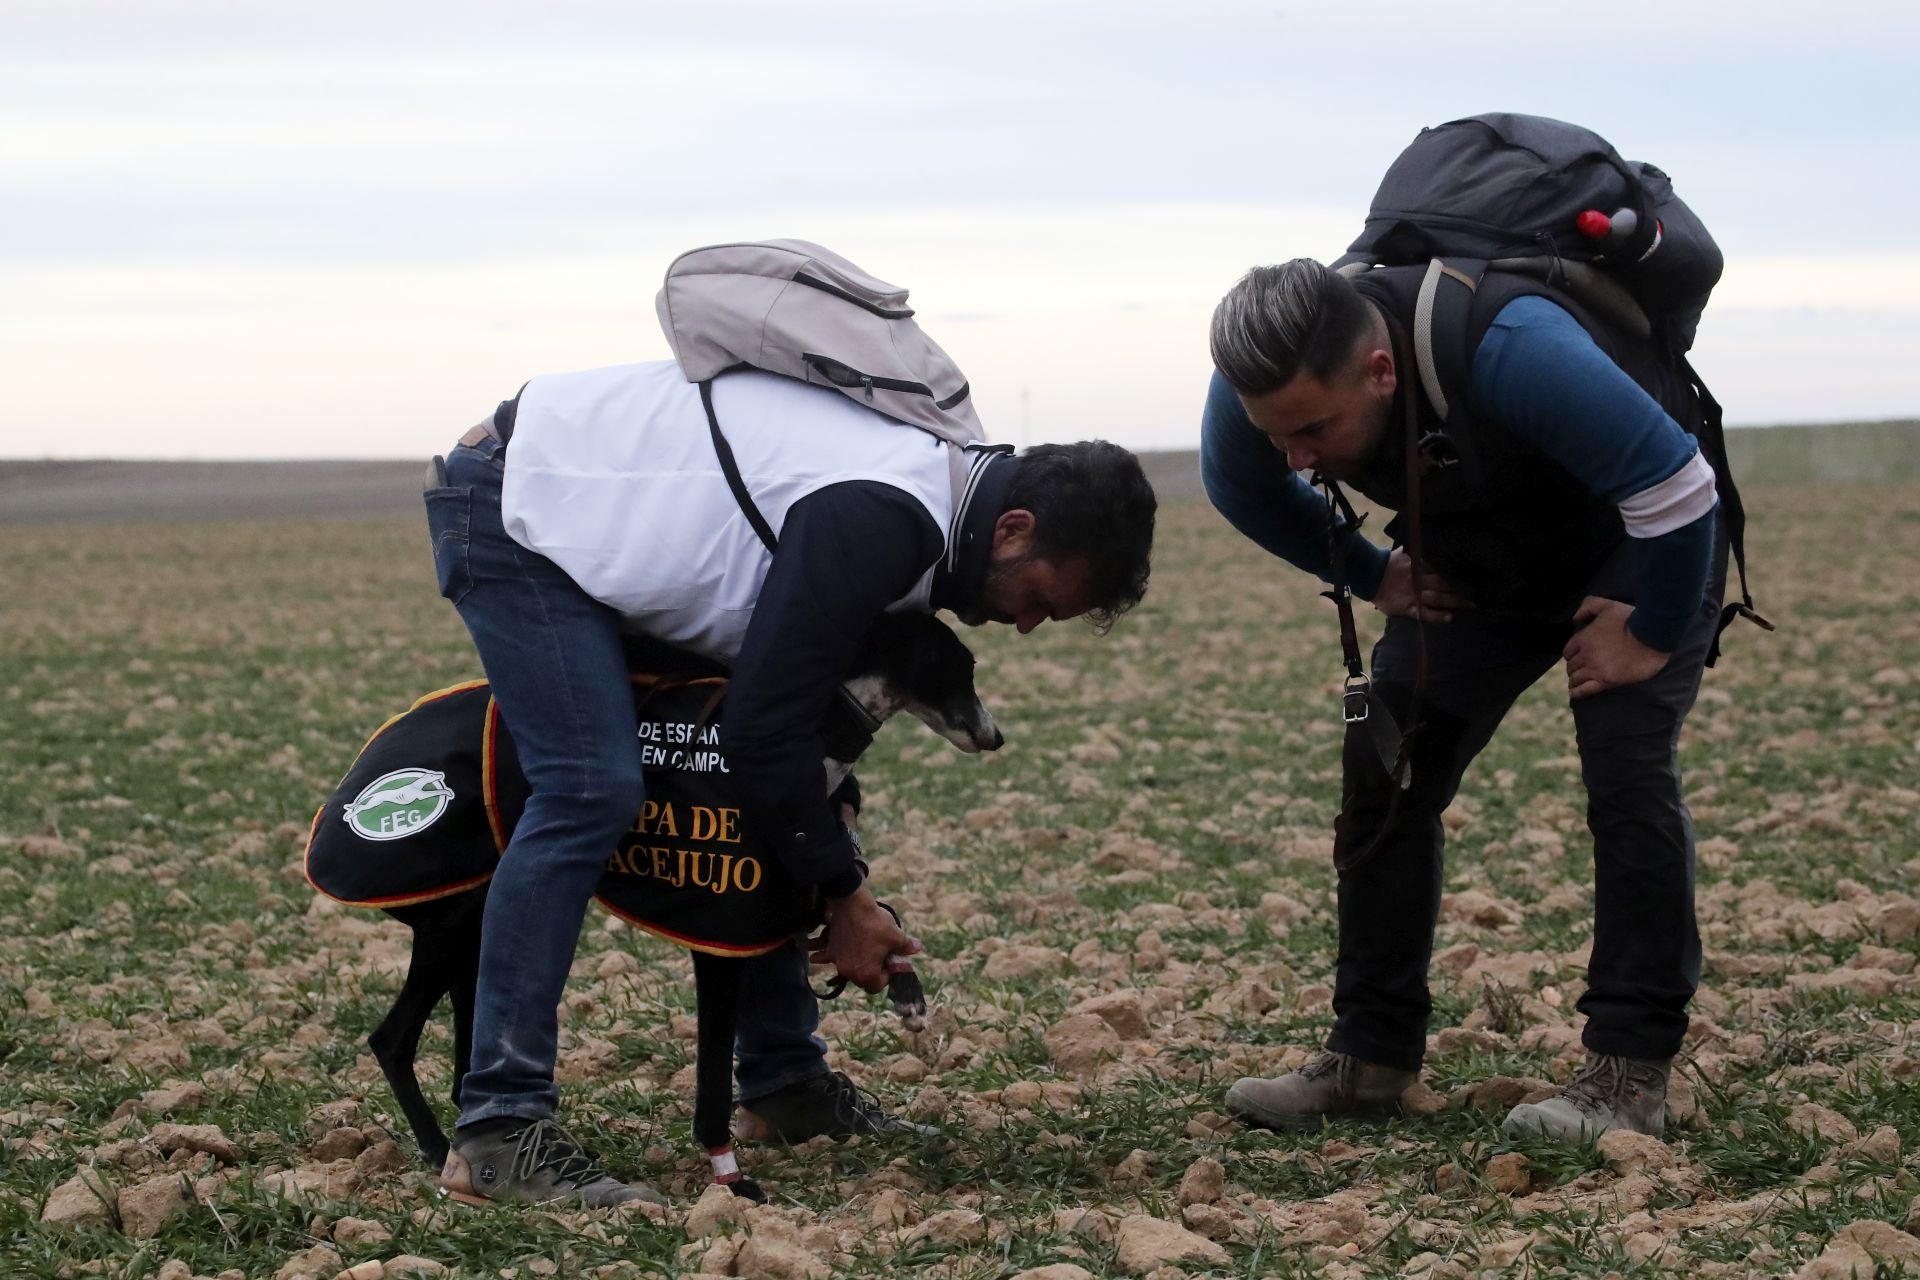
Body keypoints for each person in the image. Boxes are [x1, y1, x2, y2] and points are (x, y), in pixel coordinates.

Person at [425, 358, 1156, 1205]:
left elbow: (788, 744)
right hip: (518, 504)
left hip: (600, 523)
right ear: (1015, 530)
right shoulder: (887, 516)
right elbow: (760, 736)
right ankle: (498, 1130)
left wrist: (834, 850)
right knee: (589, 787)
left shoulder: (933, 513)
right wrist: (845, 897)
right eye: (1040, 599)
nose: (1025, 625)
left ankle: (782, 1086)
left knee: (785, 796)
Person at [1202, 258, 1723, 1141]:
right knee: (1388, 759)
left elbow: (1677, 488)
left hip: (1639, 543)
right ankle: (1370, 1055)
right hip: (1477, 554)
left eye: (1315, 431)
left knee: (1624, 766)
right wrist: (1373, 572)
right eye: (1278, 432)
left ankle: (1630, 1075)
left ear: (1380, 371)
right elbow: (1240, 485)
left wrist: (1655, 630)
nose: (1297, 455)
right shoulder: (1262, 380)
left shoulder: (1514, 349)